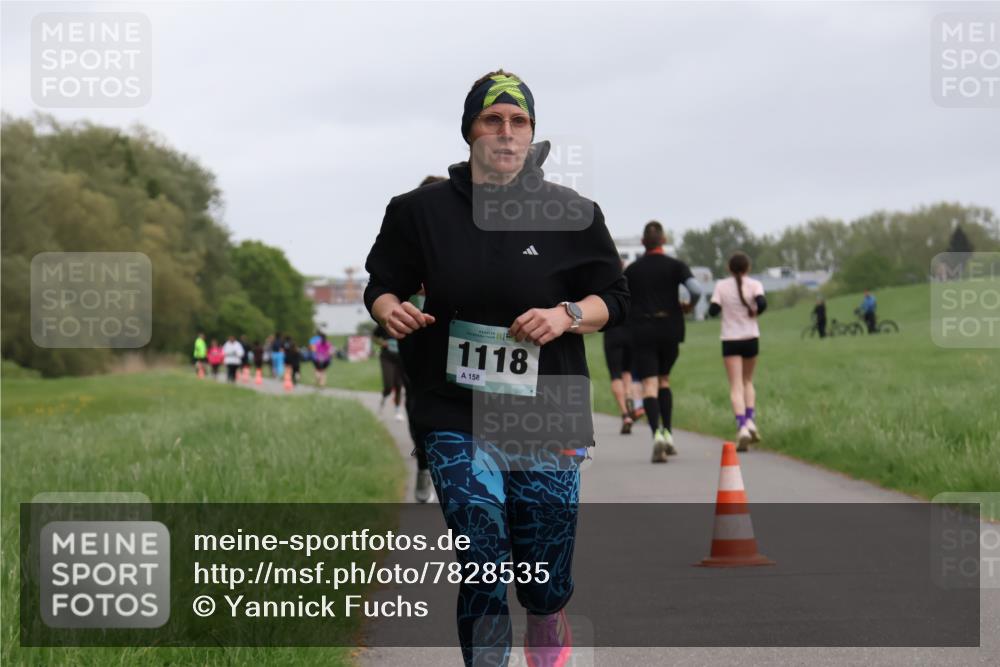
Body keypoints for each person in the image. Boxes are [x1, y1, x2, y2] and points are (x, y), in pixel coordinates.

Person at [364, 70, 628, 667]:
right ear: (469, 131)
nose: (506, 133)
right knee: (483, 552)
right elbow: (383, 283)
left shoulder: (574, 213)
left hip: (548, 414)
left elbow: (616, 298)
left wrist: (566, 315)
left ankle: (546, 619)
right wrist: (389, 309)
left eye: (519, 122)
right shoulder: (419, 212)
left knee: (543, 580)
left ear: (533, 134)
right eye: (493, 120)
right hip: (456, 408)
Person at [623, 221, 702, 463]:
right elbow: (696, 289)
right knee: (664, 380)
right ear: (664, 240)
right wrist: (688, 306)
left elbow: (622, 297)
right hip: (670, 328)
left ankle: (656, 433)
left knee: (649, 385)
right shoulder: (676, 266)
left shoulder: (632, 270)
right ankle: (668, 434)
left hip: (643, 330)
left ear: (643, 243)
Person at [708, 251, 767, 452]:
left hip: (730, 339)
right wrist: (753, 310)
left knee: (735, 385)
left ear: (728, 268)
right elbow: (762, 304)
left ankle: (741, 426)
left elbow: (713, 310)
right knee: (748, 381)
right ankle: (750, 421)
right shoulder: (755, 285)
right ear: (748, 268)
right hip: (751, 337)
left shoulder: (721, 286)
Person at [602, 316, 635, 434]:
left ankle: (625, 414)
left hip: (613, 333)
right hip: (631, 331)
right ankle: (629, 395)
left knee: (615, 375)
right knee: (627, 371)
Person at [373, 324, 405, 421]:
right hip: (387, 357)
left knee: (399, 385)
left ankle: (398, 411)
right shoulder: (384, 322)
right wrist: (382, 343)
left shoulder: (406, 320)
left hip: (401, 357)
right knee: (388, 385)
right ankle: (381, 406)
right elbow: (374, 337)